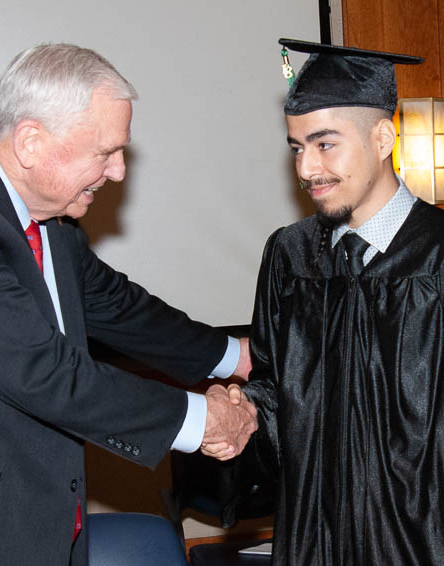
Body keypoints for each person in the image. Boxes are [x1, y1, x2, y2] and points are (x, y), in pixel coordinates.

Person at [0, 44, 256, 566]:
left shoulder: (45, 217)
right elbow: (44, 372)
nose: (120, 171)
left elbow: (117, 306)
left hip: (44, 525)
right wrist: (203, 421)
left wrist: (242, 357)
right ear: (31, 141)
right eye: (105, 152)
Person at [205, 38, 444, 565]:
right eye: (296, 148)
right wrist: (240, 417)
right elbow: (274, 388)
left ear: (383, 137)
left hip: (420, 539)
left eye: (325, 144)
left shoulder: (437, 257)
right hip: (313, 536)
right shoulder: (289, 256)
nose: (306, 168)